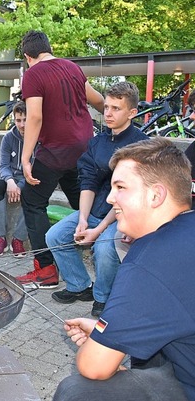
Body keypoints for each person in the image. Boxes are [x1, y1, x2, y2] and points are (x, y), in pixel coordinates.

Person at [54, 138, 194, 401]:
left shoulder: (151, 259)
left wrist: (99, 344)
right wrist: (111, 332)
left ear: (156, 195)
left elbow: (94, 367)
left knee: (77, 392)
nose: (109, 198)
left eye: (120, 187)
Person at [46, 81, 148, 317]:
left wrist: (99, 228)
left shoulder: (141, 146)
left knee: (104, 248)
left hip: (123, 215)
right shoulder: (97, 142)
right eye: (107, 107)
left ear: (132, 112)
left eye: (116, 109)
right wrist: (83, 219)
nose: (108, 113)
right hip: (95, 209)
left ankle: (103, 297)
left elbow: (126, 194)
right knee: (56, 235)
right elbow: (88, 182)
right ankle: (80, 285)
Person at [16, 30, 104, 289]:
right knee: (85, 204)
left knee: (32, 201)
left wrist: (25, 157)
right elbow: (98, 100)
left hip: (56, 151)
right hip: (84, 149)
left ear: (27, 57)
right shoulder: (72, 67)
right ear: (48, 48)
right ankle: (104, 257)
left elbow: (34, 117)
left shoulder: (33, 74)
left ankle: (45, 269)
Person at [0, 100, 29, 257]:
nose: (22, 124)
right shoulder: (8, 139)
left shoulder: (38, 139)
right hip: (9, 178)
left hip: (28, 178)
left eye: (25, 120)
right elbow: (3, 165)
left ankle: (18, 239)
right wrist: (10, 181)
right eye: (18, 120)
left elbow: (36, 168)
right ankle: (0, 238)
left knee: (34, 194)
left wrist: (20, 185)